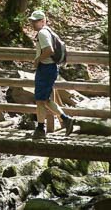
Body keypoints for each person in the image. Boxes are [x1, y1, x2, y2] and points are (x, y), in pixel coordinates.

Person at [29, 10, 74, 139]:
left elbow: (49, 50)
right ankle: (62, 120)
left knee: (40, 100)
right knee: (43, 100)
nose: (33, 23)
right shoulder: (46, 31)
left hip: (46, 68)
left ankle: (42, 128)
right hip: (49, 68)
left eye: (36, 21)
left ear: (43, 21)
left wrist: (38, 60)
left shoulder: (43, 33)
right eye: (32, 21)